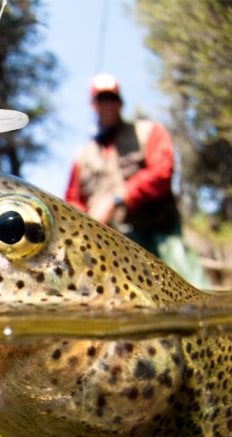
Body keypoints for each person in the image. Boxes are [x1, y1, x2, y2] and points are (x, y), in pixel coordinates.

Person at [64, 73, 208, 288]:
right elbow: (72, 201)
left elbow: (162, 172)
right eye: (101, 99)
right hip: (112, 251)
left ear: (120, 102)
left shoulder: (149, 132)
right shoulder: (82, 157)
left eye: (112, 98)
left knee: (193, 294)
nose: (107, 105)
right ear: (93, 105)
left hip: (161, 237)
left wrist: (117, 198)